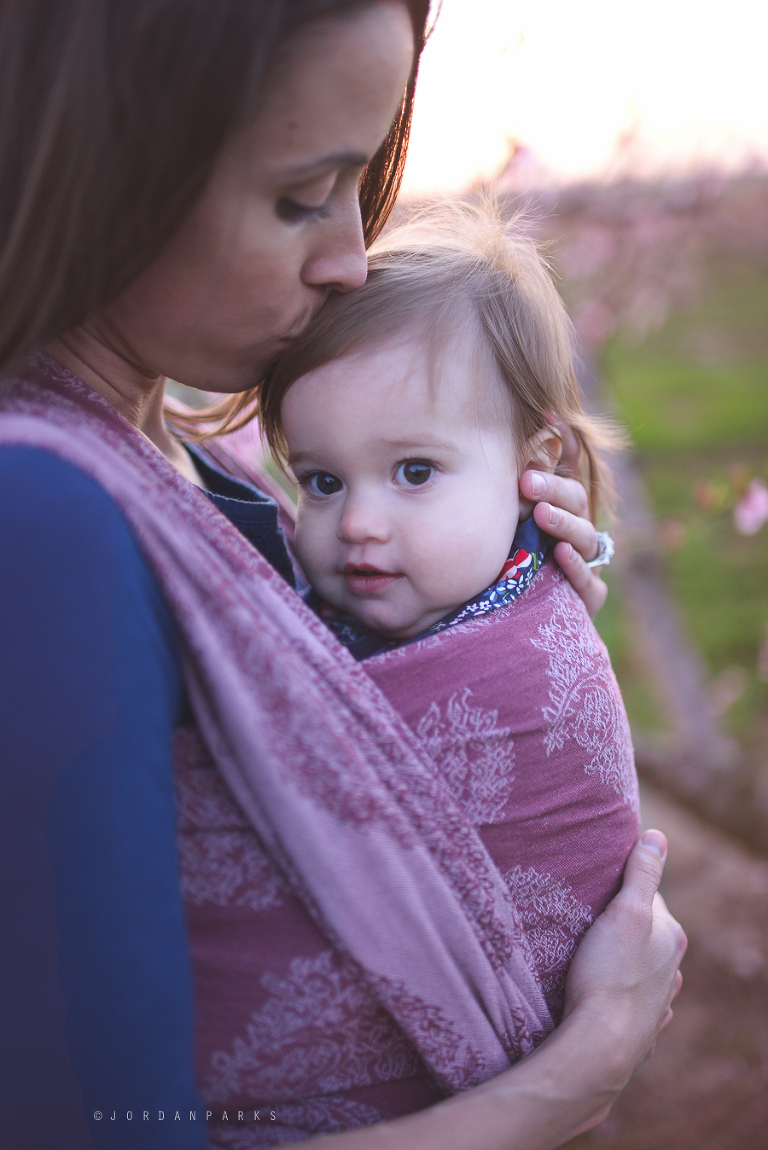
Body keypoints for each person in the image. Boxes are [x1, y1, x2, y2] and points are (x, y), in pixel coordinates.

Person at [0, 3, 686, 1149]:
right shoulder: (43, 521)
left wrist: (501, 635)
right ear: (113, 163)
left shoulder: (194, 463)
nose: (348, 257)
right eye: (298, 195)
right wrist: (576, 1074)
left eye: (359, 184)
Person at [255, 202, 640, 1045]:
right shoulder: (298, 603)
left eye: (414, 471)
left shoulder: (531, 618)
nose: (358, 521)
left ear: (532, 468)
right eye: (321, 481)